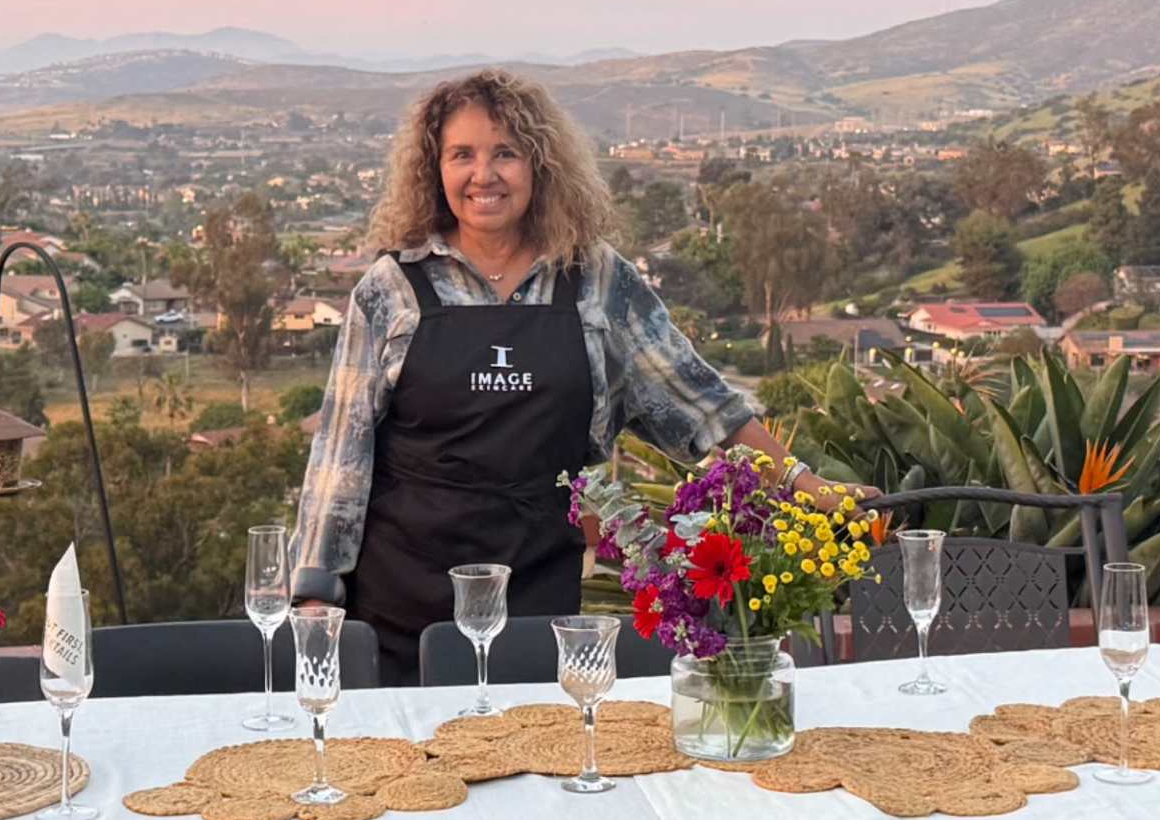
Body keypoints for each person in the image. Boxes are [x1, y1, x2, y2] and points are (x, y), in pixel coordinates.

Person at [292, 68, 837, 653]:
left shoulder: (597, 281)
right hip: (402, 593)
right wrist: (314, 590)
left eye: (506, 153)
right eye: (462, 155)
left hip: (540, 586)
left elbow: (704, 407)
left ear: (540, 166)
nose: (484, 175)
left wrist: (806, 485)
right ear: (435, 169)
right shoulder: (390, 288)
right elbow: (341, 456)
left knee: (538, 739)